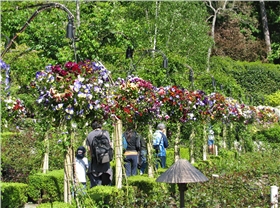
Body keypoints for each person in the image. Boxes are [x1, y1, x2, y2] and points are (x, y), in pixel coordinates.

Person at [86, 120, 113, 188]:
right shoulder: (105, 133)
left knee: (96, 187)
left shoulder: (89, 135)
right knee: (107, 187)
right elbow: (110, 146)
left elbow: (89, 150)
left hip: (95, 165)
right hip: (105, 163)